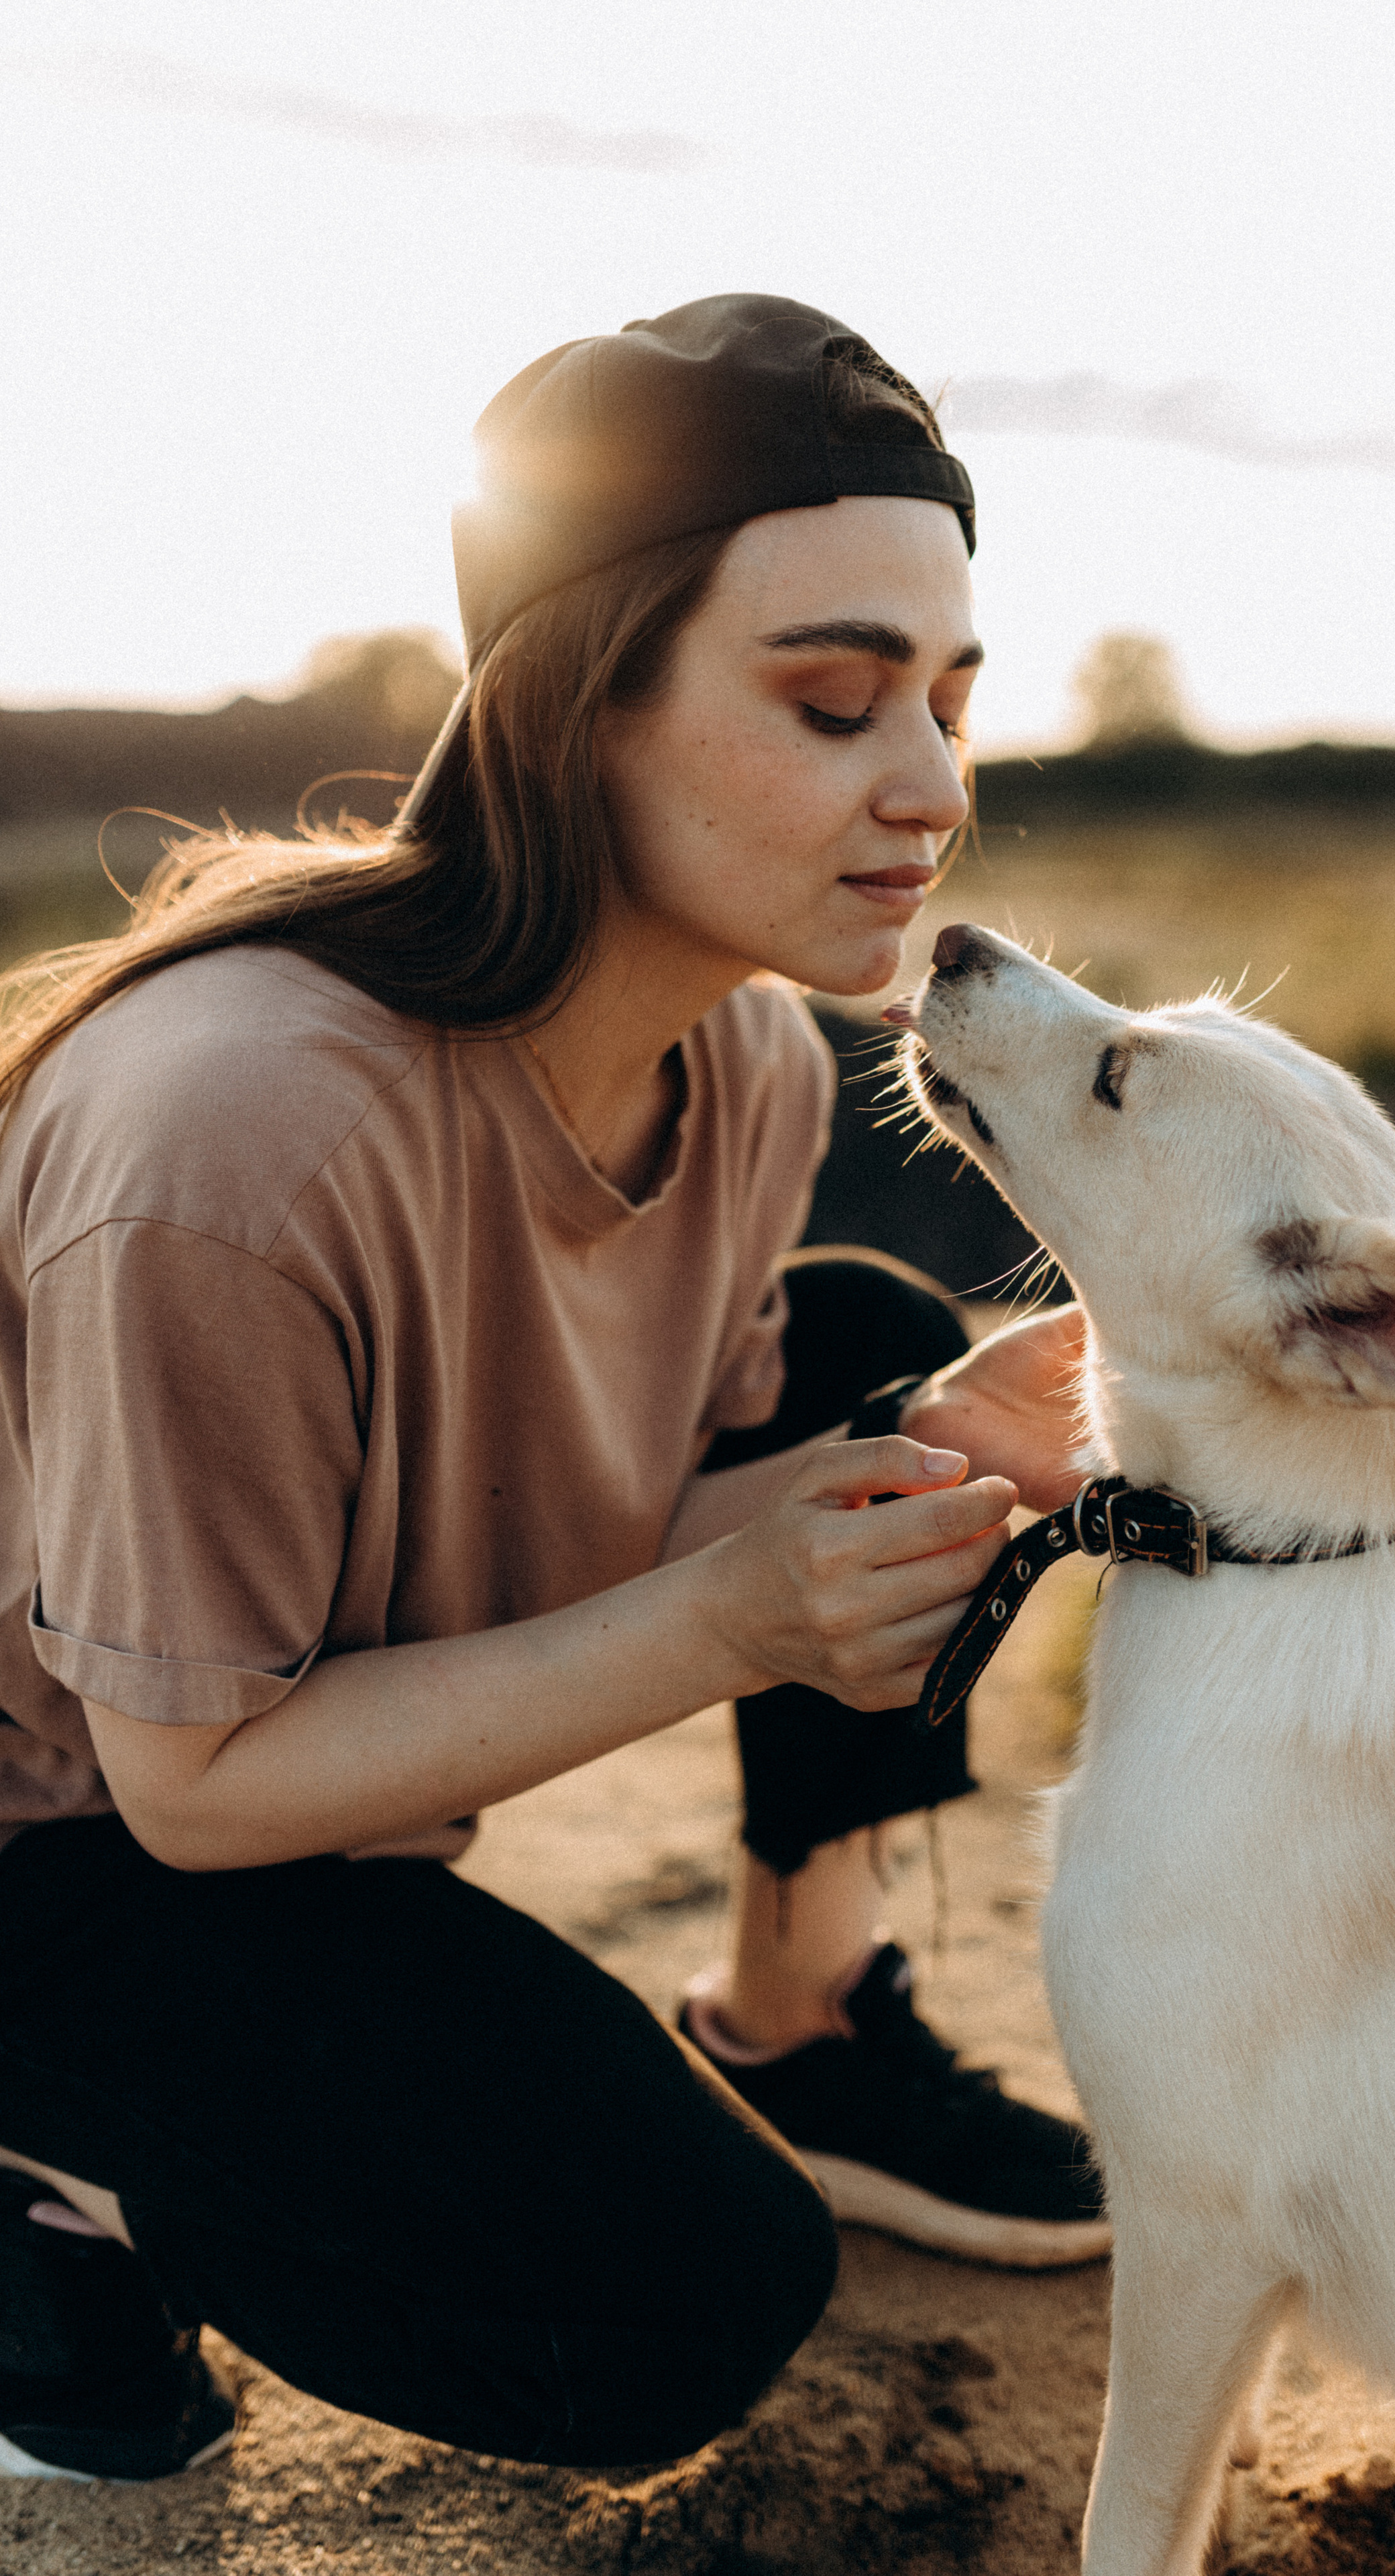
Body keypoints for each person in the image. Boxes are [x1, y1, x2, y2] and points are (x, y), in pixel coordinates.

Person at [0, 294, 1103, 2487]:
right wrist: (736, 1613)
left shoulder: (753, 1053)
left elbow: (582, 1529)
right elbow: (192, 1790)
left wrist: (915, 1475)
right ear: (576, 706)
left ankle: (807, 2024)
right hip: (74, 1842)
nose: (933, 787)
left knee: (885, 1378)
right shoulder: (236, 1134)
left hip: (267, 1763)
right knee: (669, 2303)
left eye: (953, 701)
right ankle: (55, 2183)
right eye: (834, 702)